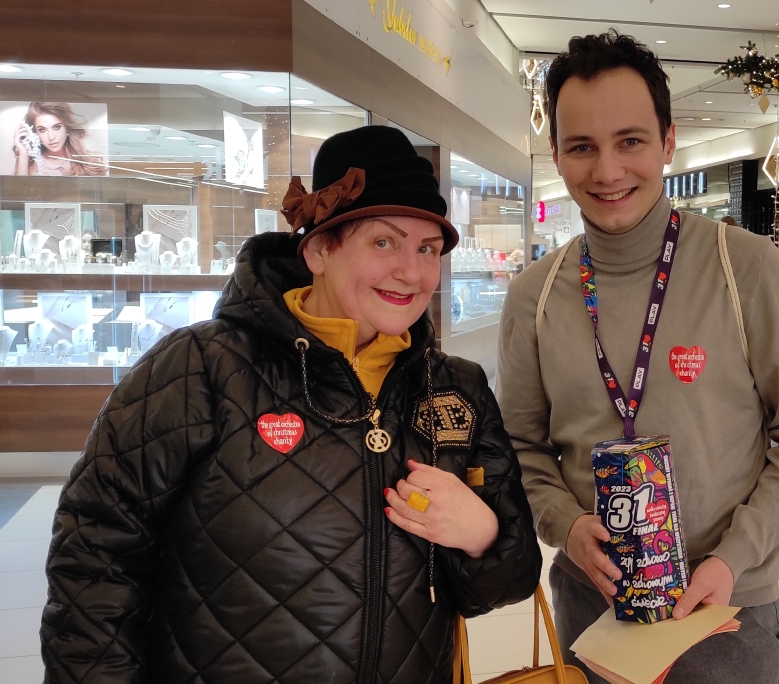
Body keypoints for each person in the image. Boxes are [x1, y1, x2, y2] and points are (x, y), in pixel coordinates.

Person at [41, 126, 541, 683]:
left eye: (427, 249)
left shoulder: (454, 389)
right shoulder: (200, 369)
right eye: (384, 242)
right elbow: (96, 559)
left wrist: (481, 534)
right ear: (319, 249)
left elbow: (507, 582)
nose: (412, 271)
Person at [496, 31, 779, 684]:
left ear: (668, 141)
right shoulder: (534, 296)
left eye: (630, 141)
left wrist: (734, 557)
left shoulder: (747, 269)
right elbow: (519, 448)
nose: (607, 171)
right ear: (557, 154)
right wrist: (567, 526)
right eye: (582, 147)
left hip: (727, 609)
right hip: (593, 603)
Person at [12, 101, 106, 176]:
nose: (51, 137)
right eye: (42, 130)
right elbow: (19, 193)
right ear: (35, 133)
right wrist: (23, 154)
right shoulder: (30, 164)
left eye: (57, 127)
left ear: (66, 127)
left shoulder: (88, 162)